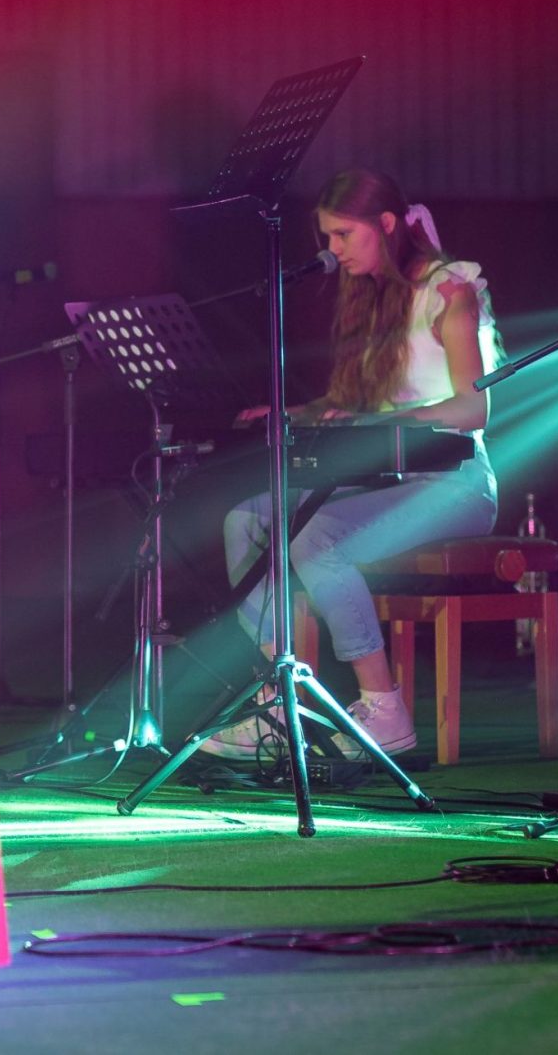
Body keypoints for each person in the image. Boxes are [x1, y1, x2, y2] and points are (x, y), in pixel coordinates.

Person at [205, 167, 501, 758]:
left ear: (386, 224)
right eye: (328, 237)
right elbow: (355, 407)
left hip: (457, 485)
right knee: (246, 520)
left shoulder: (451, 291)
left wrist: (381, 423)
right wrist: (292, 412)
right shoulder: (371, 298)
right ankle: (281, 704)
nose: (333, 250)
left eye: (343, 234)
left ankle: (384, 710)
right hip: (381, 480)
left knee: (315, 540)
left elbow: (473, 409)